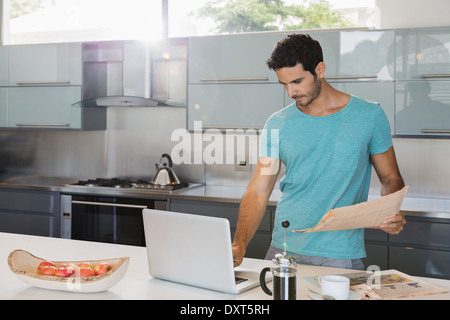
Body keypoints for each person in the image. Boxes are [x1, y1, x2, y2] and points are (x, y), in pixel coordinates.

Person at [232, 34, 405, 270]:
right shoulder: (277, 123)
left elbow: (390, 178)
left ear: (320, 70)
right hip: (283, 248)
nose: (291, 92)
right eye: (284, 84)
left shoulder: (369, 116)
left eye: (297, 81)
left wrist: (391, 211)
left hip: (338, 253)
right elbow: (259, 191)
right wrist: (238, 244)